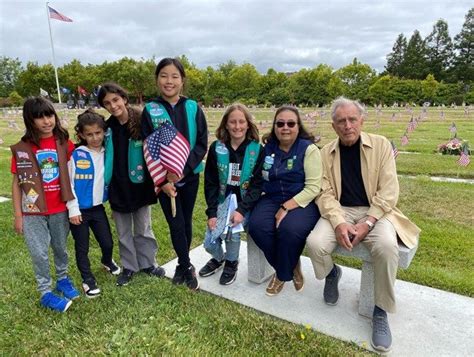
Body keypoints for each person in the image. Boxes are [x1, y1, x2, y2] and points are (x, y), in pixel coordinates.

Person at [306, 97, 421, 353]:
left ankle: (380, 311)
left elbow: (389, 191)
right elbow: (324, 193)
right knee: (315, 244)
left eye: (352, 119)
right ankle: (332, 273)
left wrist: (368, 221)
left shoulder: (380, 145)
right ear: (334, 126)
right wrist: (337, 222)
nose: (347, 125)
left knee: (387, 247)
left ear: (361, 121)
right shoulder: (326, 153)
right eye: (341, 121)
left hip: (376, 212)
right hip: (340, 210)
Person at [142, 57, 208, 291]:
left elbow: (201, 143)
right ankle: (186, 264)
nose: (169, 81)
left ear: (182, 81)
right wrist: (162, 181)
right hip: (164, 181)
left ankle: (183, 264)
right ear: (157, 79)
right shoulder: (150, 110)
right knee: (175, 223)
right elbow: (149, 149)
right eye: (164, 76)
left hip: (188, 177)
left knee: (186, 221)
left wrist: (183, 170)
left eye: (174, 76)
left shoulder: (192, 107)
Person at [11, 97, 80, 312]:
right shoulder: (22, 148)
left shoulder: (63, 142)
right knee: (39, 252)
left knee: (60, 247)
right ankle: (45, 292)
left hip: (59, 208)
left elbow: (75, 170)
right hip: (33, 211)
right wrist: (18, 215)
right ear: (29, 120)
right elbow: (16, 184)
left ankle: (62, 279)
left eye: (49, 115)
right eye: (39, 117)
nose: (46, 121)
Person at [248, 105, 322, 296]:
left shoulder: (309, 149)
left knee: (289, 230)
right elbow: (259, 177)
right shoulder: (268, 148)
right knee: (257, 227)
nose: (285, 127)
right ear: (274, 126)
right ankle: (290, 265)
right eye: (280, 123)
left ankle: (281, 275)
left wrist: (286, 207)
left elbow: (313, 188)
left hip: (301, 200)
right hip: (271, 197)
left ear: (298, 126)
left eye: (291, 123)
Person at [98, 82, 165, 287]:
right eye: (107, 103)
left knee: (143, 228)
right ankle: (129, 266)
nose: (113, 105)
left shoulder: (142, 122)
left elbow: (158, 147)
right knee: (123, 230)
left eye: (116, 100)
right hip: (118, 186)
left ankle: (147, 263)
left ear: (124, 99)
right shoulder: (107, 129)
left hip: (140, 184)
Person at [199, 103, 264, 285]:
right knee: (210, 242)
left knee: (233, 232)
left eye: (241, 122)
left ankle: (231, 263)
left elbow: (257, 186)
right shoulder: (217, 148)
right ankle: (219, 258)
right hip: (222, 201)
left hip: (245, 204)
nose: (237, 126)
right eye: (232, 122)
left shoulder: (256, 150)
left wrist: (242, 210)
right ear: (226, 124)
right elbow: (210, 183)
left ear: (248, 124)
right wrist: (212, 213)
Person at [66, 109, 121, 298]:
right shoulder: (76, 155)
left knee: (107, 242)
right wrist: (72, 209)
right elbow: (69, 184)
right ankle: (87, 280)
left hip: (98, 209)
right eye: (89, 134)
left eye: (98, 133)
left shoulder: (108, 152)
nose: (95, 137)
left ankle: (107, 261)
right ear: (81, 135)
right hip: (78, 211)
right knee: (82, 247)